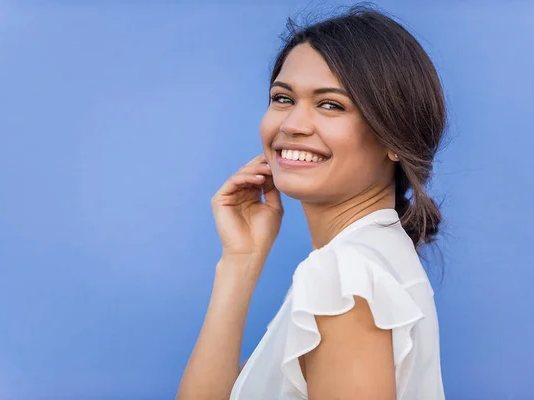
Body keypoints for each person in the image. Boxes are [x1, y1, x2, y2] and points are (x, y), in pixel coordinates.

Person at [177, 4, 446, 400]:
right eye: (283, 98)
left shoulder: (344, 276)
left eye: (330, 104)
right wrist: (240, 261)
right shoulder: (370, 259)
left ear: (393, 137)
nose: (292, 125)